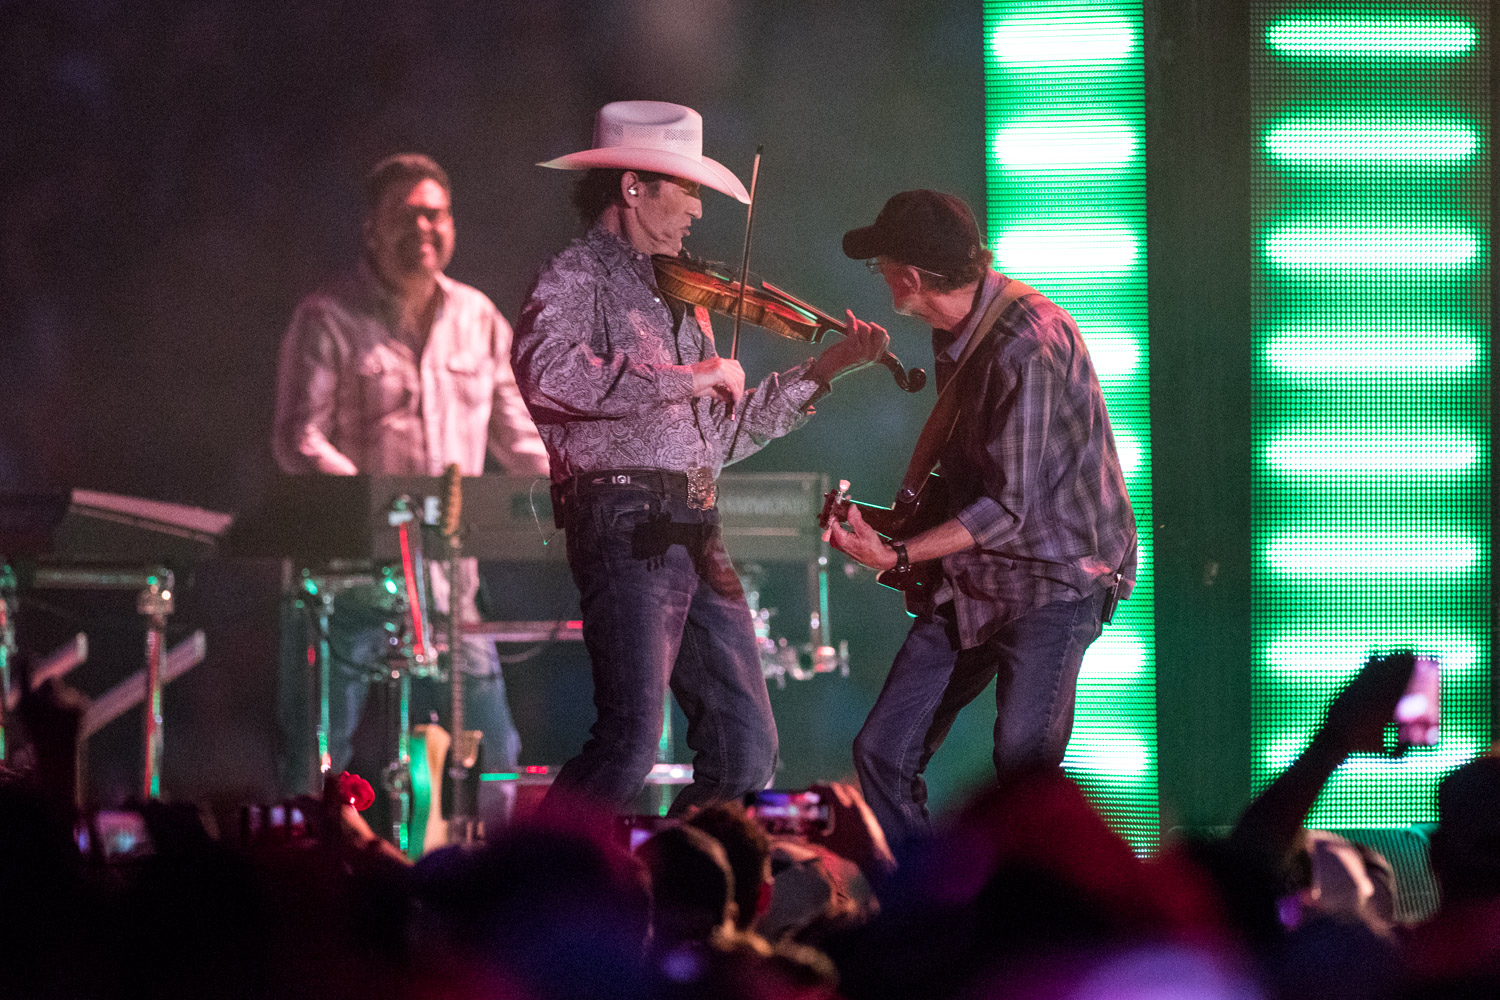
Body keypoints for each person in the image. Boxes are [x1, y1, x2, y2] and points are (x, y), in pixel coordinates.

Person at [514, 101, 888, 814]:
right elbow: (548, 375)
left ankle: (686, 898)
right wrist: (690, 378)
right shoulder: (575, 273)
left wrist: (827, 368)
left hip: (695, 518)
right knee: (628, 741)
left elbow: (711, 441)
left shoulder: (684, 294)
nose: (695, 211)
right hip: (624, 517)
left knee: (746, 750)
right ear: (632, 187)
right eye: (684, 191)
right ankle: (527, 895)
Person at [823, 190, 1137, 845]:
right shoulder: (959, 328)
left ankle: (1037, 932)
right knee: (883, 752)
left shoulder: (1027, 343)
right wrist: (890, 522)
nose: (879, 276)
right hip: (979, 571)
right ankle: (926, 910)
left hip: (1054, 575)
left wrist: (899, 556)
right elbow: (980, 473)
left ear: (909, 276)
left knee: (1025, 779)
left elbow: (1010, 506)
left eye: (881, 264)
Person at [272, 153, 548, 792]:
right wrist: (380, 511)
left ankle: (477, 887)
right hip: (345, 589)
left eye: (436, 214)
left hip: (449, 589)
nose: (425, 228)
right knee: (314, 763)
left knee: (493, 757)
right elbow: (297, 439)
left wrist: (584, 485)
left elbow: (520, 440)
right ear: (371, 227)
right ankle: (304, 881)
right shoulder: (326, 316)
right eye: (406, 216)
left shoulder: (478, 318)